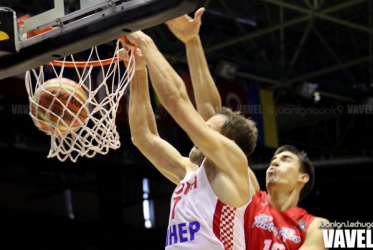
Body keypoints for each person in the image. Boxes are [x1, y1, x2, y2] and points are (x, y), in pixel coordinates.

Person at [164, 8, 330, 249]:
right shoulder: (249, 191)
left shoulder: (315, 224)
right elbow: (212, 116)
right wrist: (192, 43)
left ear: (302, 177)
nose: (274, 162)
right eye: (275, 158)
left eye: (285, 160)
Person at [123, 29, 258, 250]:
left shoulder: (234, 166)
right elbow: (143, 136)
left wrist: (144, 40)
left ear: (228, 144)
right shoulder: (189, 172)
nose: (198, 132)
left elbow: (175, 100)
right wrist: (138, 70)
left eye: (208, 129)